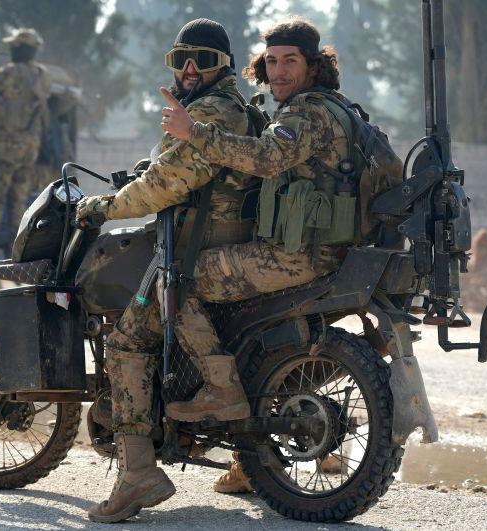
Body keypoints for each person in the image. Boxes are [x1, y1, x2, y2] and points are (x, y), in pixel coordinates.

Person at [160, 17, 401, 495]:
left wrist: (195, 134)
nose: (279, 71)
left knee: (180, 280)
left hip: (299, 257)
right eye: (271, 61)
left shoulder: (307, 112)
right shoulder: (340, 108)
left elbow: (268, 158)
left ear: (314, 66)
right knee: (244, 328)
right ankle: (249, 463)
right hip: (331, 253)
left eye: (290, 60)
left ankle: (219, 389)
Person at [76, 19, 255, 523]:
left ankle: (138, 474)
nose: (191, 69)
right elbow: (174, 170)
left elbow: (168, 184)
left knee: (127, 342)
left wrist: (104, 207)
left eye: (202, 59)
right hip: (215, 244)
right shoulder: (227, 108)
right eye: (181, 60)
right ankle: (249, 461)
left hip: (198, 250)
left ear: (224, 65)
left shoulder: (212, 111)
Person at [0, 28, 51, 262]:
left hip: (5, 145)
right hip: (29, 147)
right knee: (18, 200)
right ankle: (15, 255)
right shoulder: (42, 75)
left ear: (19, 49)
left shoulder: (6, 72)